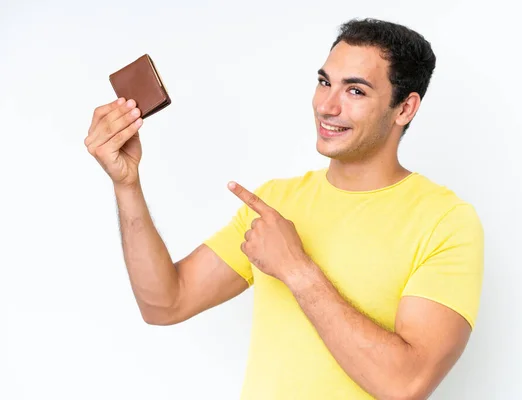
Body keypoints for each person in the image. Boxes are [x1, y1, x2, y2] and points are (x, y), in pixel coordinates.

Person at [85, 18, 484, 400]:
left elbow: (406, 385)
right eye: (324, 82)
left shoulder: (446, 221)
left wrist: (296, 268)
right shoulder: (275, 202)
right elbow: (164, 303)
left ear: (405, 108)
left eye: (355, 91)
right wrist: (127, 185)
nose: (327, 106)